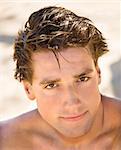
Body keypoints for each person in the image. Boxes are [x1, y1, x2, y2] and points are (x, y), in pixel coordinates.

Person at [0, 6, 121, 150]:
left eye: (82, 79)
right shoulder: (6, 142)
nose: (72, 102)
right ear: (28, 89)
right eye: (51, 85)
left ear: (98, 73)